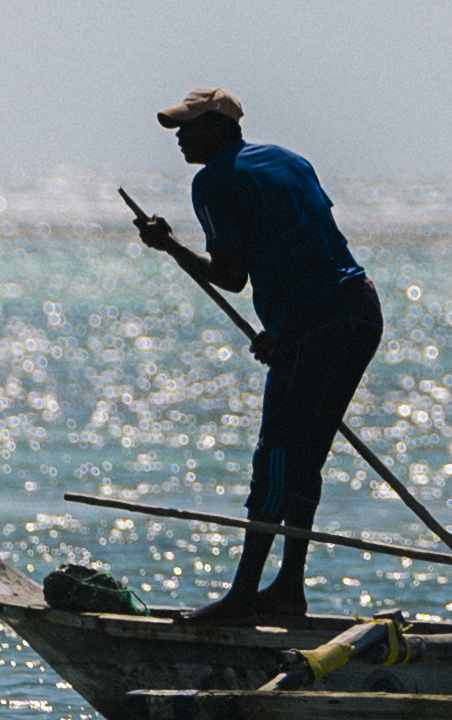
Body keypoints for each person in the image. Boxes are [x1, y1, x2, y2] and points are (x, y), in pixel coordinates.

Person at [133, 88, 385, 626]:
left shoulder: (214, 181)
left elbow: (230, 277)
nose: (180, 139)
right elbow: (304, 245)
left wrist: (169, 245)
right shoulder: (290, 160)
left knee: (275, 458)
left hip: (316, 322)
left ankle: (244, 596)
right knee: (305, 458)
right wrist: (282, 331)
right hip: (359, 310)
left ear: (220, 127)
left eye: (189, 127)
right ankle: (288, 589)